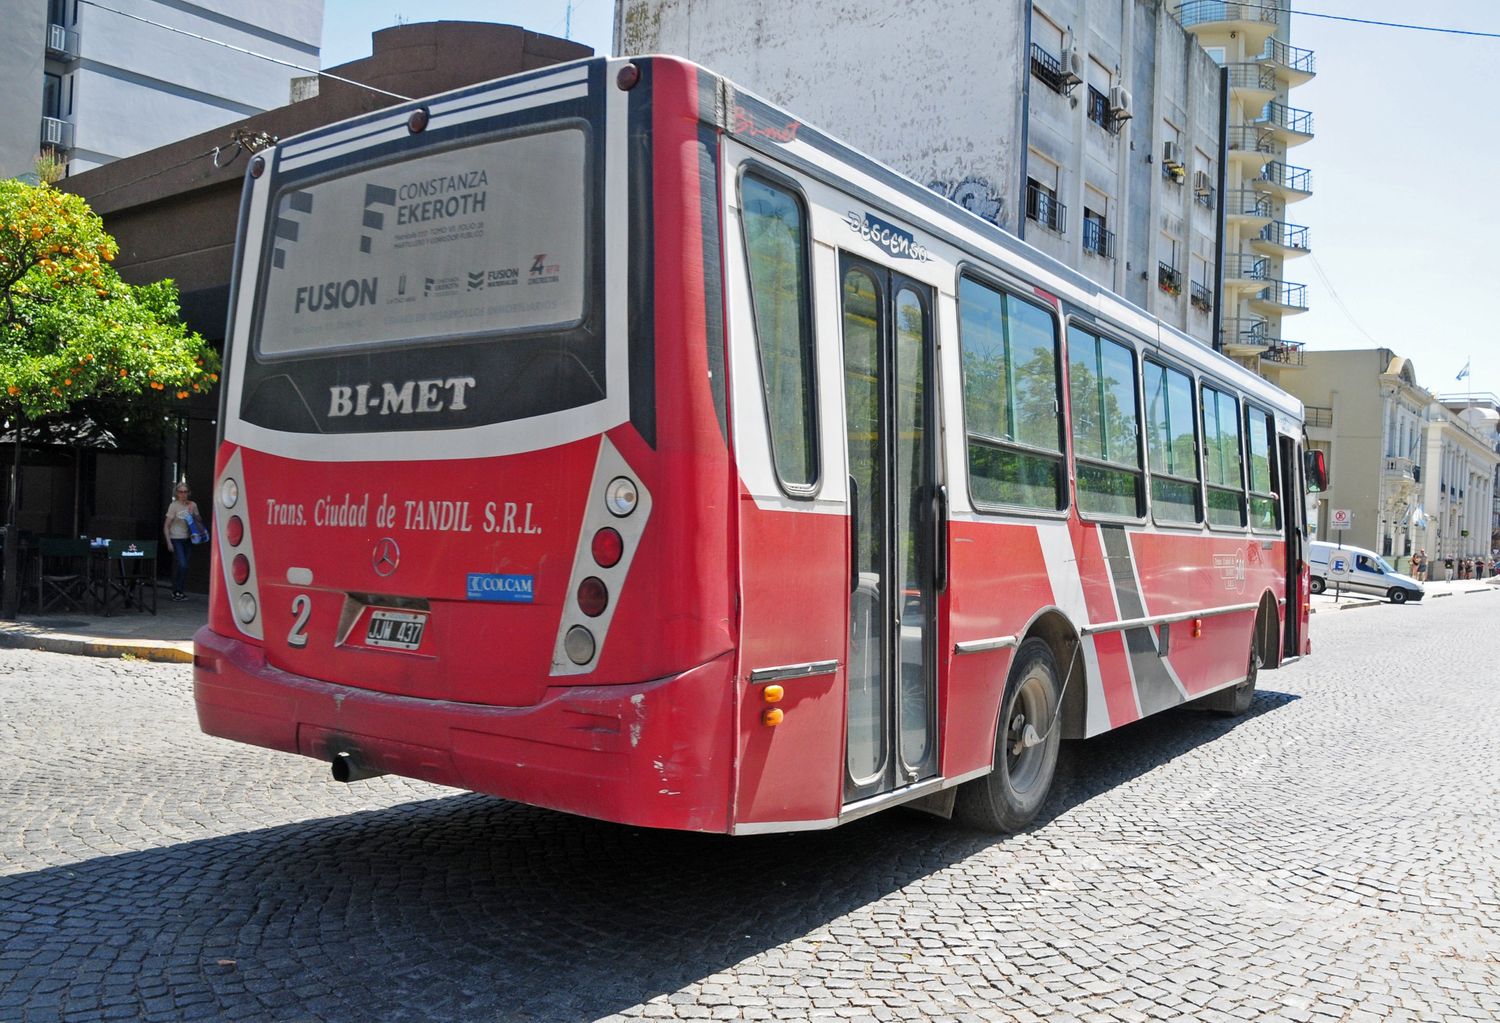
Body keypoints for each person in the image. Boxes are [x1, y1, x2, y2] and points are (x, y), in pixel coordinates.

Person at [162, 480, 202, 601]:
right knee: (183, 564)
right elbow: (166, 525)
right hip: (176, 538)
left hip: (188, 538)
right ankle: (176, 590)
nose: (183, 494)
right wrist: (168, 541)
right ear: (177, 493)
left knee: (184, 566)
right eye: (180, 492)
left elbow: (199, 520)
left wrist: (193, 513)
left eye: (185, 492)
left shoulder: (193, 504)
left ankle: (179, 591)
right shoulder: (174, 506)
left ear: (188, 493)